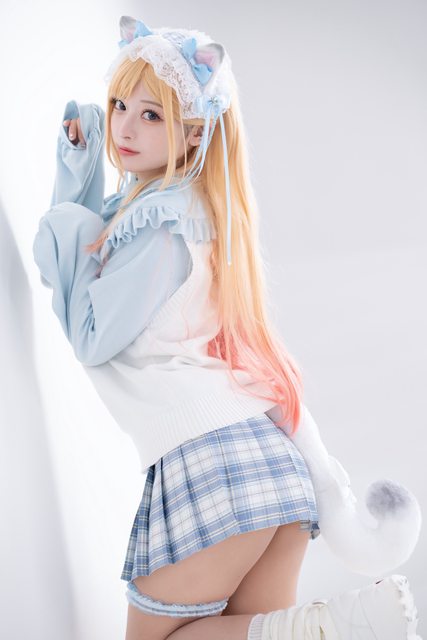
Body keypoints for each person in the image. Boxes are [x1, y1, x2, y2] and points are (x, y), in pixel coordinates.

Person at [32, 15, 421, 640]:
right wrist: (80, 171)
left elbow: (90, 335)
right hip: (272, 467)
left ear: (193, 134)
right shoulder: (192, 218)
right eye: (120, 105)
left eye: (152, 115)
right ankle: (328, 626)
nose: (124, 128)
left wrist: (69, 201)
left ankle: (339, 624)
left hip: (213, 467)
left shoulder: (157, 231)